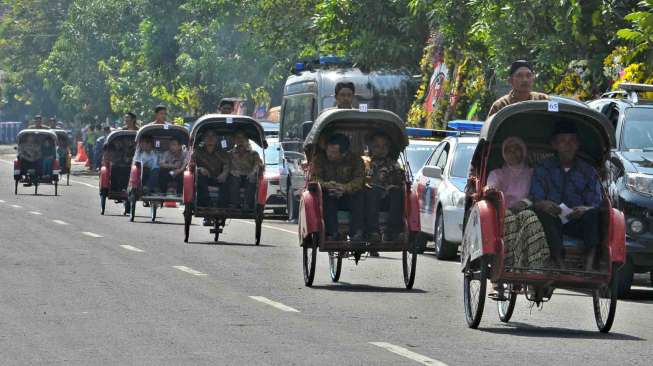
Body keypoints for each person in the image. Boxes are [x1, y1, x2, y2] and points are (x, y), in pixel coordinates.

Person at [530, 123, 603, 270]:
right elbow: (534, 198)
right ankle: (559, 261)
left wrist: (584, 209)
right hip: (552, 221)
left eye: (572, 141)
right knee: (542, 213)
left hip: (577, 221)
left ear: (578, 145)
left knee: (593, 214)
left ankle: (590, 260)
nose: (567, 145)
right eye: (563, 141)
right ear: (555, 144)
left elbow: (596, 201)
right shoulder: (543, 168)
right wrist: (545, 204)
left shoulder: (588, 171)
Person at [486, 137, 549, 268]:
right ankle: (508, 264)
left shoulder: (533, 173)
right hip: (504, 211)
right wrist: (490, 189)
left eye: (517, 150)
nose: (513, 153)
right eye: (509, 150)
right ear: (503, 153)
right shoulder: (497, 173)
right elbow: (491, 186)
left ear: (524, 152)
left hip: (527, 209)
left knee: (531, 219)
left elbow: (537, 194)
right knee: (509, 218)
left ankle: (535, 265)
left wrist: (525, 202)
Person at [309, 133, 365, 241]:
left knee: (360, 195)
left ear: (344, 153)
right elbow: (315, 178)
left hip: (348, 195)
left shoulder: (356, 160)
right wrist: (328, 185)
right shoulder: (320, 159)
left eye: (333, 153)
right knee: (327, 197)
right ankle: (332, 233)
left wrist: (344, 188)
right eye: (328, 151)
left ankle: (356, 233)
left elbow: (359, 180)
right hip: (327, 194)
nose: (329, 154)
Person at [364, 133, 405, 243]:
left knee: (397, 193)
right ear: (371, 147)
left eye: (384, 146)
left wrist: (393, 186)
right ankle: (374, 232)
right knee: (372, 191)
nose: (381, 150)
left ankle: (393, 231)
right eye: (377, 146)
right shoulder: (365, 163)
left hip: (387, 199)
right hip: (368, 198)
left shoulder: (393, 164)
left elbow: (401, 181)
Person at [191, 130, 230, 209]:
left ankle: (222, 207)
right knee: (200, 177)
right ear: (203, 139)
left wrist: (224, 174)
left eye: (213, 136)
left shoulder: (222, 152)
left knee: (229, 179)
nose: (210, 138)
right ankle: (204, 204)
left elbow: (227, 164)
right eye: (207, 136)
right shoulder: (197, 151)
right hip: (204, 178)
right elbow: (191, 165)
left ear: (216, 139)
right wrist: (199, 169)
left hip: (219, 178)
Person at [226, 131, 263, 210]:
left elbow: (258, 164)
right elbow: (226, 166)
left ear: (246, 140)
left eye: (243, 137)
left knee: (252, 180)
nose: (240, 140)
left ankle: (247, 205)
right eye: (238, 138)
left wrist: (253, 172)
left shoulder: (254, 154)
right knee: (233, 179)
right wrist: (231, 171)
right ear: (235, 140)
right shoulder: (229, 154)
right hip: (235, 176)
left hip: (248, 176)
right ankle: (234, 204)